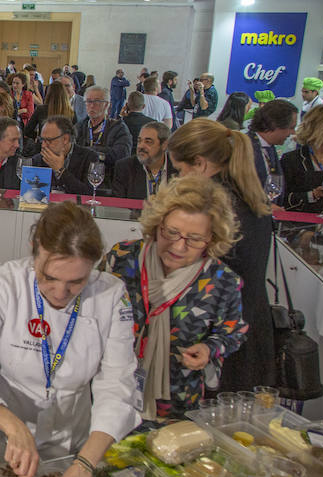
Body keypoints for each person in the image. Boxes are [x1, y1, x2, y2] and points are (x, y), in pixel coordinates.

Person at [0, 201, 139, 477]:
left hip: (66, 448)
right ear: (35, 251)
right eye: (49, 278)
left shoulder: (111, 295)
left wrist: (85, 464)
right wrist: (12, 426)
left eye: (76, 282)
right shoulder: (3, 284)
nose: (61, 293)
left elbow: (117, 386)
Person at [103, 176, 247, 418]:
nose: (179, 247)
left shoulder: (222, 280)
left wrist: (208, 348)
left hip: (178, 402)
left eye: (195, 239)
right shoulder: (122, 257)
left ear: (211, 238)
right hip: (111, 392)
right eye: (171, 232)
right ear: (157, 224)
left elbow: (233, 332)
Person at [167, 118, 274, 392]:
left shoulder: (210, 209)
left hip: (216, 339)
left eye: (180, 170)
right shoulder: (251, 197)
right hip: (252, 328)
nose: (178, 178)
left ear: (200, 164)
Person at [281, 105, 323, 213]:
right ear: (318, 126)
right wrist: (313, 195)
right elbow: (281, 199)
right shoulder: (292, 159)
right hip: (304, 221)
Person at [75, 86, 132, 182]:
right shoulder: (79, 126)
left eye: (97, 101)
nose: (92, 106)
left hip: (109, 179)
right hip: (81, 178)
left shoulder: (119, 128)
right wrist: (103, 151)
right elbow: (72, 151)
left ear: (107, 104)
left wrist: (87, 152)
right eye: (88, 101)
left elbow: (121, 155)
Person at [30, 116, 97, 194]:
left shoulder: (89, 157)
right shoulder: (38, 160)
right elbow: (32, 194)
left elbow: (89, 193)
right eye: (42, 140)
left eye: (48, 140)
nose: (43, 145)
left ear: (65, 139)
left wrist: (61, 171)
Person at [112, 122, 177, 200]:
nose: (141, 146)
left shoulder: (179, 167)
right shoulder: (125, 167)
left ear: (164, 145)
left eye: (148, 142)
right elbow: (118, 204)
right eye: (139, 141)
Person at [247, 99, 298, 192]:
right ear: (274, 124)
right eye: (291, 128)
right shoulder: (244, 147)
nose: (293, 133)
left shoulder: (270, 147)